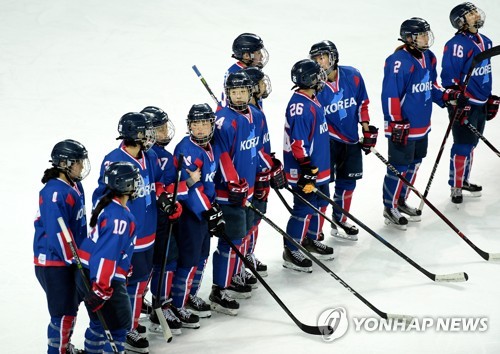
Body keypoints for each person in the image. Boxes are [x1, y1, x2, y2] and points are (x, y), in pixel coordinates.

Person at [92, 112, 181, 352]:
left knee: (142, 281)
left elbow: (157, 184)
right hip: (128, 238)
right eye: (145, 133)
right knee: (127, 285)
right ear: (133, 135)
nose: (150, 136)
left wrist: (164, 199)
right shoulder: (113, 160)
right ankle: (125, 328)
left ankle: (130, 322)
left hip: (149, 232)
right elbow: (101, 198)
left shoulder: (149, 156)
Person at [381, 17, 460, 229]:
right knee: (398, 167)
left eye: (427, 33)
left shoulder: (430, 57)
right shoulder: (399, 62)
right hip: (403, 127)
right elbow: (390, 95)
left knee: (415, 163)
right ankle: (390, 207)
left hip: (422, 126)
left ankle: (401, 200)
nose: (427, 38)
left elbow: (431, 86)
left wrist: (446, 96)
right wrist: (395, 122)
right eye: (422, 34)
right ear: (409, 38)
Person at [309, 40, 378, 241]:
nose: (319, 62)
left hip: (350, 139)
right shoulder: (314, 85)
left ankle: (339, 220)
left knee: (348, 182)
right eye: (315, 59)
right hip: (327, 142)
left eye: (322, 57)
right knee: (323, 187)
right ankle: (316, 229)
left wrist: (366, 129)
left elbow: (362, 103)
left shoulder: (353, 75)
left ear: (333, 57)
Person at [210, 70, 264, 315]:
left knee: (241, 238)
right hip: (229, 193)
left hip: (249, 190)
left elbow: (259, 148)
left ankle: (234, 276)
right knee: (230, 241)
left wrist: (268, 169)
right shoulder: (223, 121)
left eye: (243, 91)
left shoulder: (257, 115)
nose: (239, 96)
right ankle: (219, 288)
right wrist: (233, 183)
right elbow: (222, 156)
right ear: (227, 92)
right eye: (234, 92)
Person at [77, 161, 141, 354]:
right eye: (134, 180)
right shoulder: (120, 217)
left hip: (88, 272)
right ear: (125, 185)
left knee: (98, 324)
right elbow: (106, 255)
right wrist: (101, 290)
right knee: (119, 329)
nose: (138, 184)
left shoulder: (110, 205)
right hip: (104, 278)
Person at [34, 139, 90, 354]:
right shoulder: (54, 193)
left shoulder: (75, 185)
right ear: (65, 163)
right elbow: (58, 234)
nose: (82, 167)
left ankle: (64, 348)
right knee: (63, 311)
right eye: (78, 162)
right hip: (54, 262)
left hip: (68, 260)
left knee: (70, 309)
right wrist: (75, 261)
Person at [171, 103, 224, 325]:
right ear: (189, 126)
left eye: (204, 123)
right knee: (189, 260)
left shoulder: (212, 146)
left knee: (202, 257)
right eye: (195, 124)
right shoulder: (186, 150)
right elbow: (191, 189)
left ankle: (191, 295)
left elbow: (212, 181)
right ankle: (178, 304)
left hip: (204, 213)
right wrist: (208, 210)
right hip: (190, 215)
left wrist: (215, 207)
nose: (200, 128)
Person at [442, 2, 499, 205]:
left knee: (472, 144)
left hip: (480, 101)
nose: (476, 15)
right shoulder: (456, 45)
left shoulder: (487, 41)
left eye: (475, 11)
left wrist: (489, 96)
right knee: (463, 145)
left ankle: (464, 180)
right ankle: (456, 185)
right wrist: (456, 101)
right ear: (461, 22)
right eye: (470, 13)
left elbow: (484, 73)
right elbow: (448, 78)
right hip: (464, 103)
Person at [140, 106, 190, 335]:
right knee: (152, 265)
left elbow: (170, 189)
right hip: (150, 222)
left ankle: (163, 303)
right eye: (158, 129)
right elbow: (157, 189)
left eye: (163, 127)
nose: (163, 132)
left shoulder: (164, 156)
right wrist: (179, 188)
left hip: (164, 219)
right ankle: (155, 305)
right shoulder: (148, 156)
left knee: (168, 261)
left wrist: (174, 199)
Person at [283, 59, 334, 273]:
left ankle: (310, 240)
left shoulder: (312, 98)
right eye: (317, 76)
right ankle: (291, 249)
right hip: (305, 170)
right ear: (309, 80)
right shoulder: (300, 107)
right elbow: (298, 144)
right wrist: (306, 170)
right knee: (303, 209)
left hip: (318, 167)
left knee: (321, 204)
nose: (321, 79)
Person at [240, 66, 286, 278]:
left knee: (256, 219)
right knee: (247, 222)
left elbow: (262, 147)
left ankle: (249, 253)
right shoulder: (247, 115)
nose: (265, 85)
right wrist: (266, 167)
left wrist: (271, 162)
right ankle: (241, 262)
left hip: (261, 173)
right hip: (251, 177)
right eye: (260, 82)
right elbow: (252, 149)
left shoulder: (256, 109)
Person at [219, 33, 269, 110]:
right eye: (258, 53)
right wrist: (259, 95)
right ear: (246, 56)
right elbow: (244, 107)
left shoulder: (239, 69)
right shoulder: (242, 75)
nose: (262, 56)